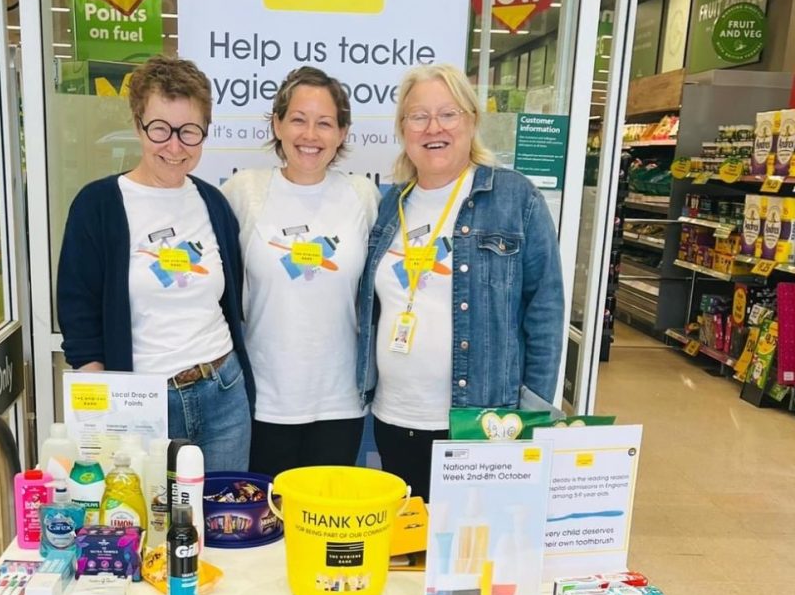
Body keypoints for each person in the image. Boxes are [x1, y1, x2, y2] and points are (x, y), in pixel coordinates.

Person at [355, 63, 564, 501]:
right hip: (395, 418)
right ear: (403, 129)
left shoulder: (514, 198)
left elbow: (544, 312)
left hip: (482, 425)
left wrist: (532, 413)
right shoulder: (392, 205)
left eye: (448, 114)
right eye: (419, 116)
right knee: (411, 539)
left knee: (474, 540)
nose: (434, 128)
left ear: (471, 120)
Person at [56, 56, 254, 472]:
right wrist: (104, 410)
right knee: (143, 512)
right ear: (138, 125)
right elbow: (79, 315)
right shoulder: (98, 205)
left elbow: (229, 299)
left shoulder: (213, 203)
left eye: (189, 131)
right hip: (142, 406)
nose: (175, 146)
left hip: (224, 393)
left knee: (219, 511)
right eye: (160, 129)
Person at [222, 66, 380, 477]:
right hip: (262, 402)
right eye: (298, 119)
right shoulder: (244, 192)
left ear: (342, 133)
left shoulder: (361, 195)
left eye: (324, 123)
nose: (310, 135)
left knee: (325, 514)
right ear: (277, 124)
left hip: (340, 403)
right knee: (266, 513)